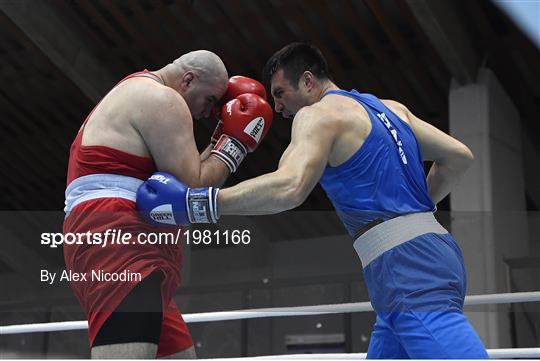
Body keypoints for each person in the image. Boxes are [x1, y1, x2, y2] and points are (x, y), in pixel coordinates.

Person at [137, 42, 489, 359]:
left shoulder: (317, 115)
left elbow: (290, 187)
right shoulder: (393, 109)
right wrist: (412, 214)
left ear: (308, 81)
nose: (277, 107)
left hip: (409, 268)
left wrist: (199, 202)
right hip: (430, 255)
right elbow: (459, 157)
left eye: (279, 93)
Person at [63, 50, 272, 359]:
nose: (207, 112)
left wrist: (218, 141)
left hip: (117, 235)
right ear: (188, 79)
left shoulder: (136, 90)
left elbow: (179, 182)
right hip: (119, 240)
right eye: (210, 100)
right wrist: (235, 143)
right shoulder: (163, 99)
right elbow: (194, 187)